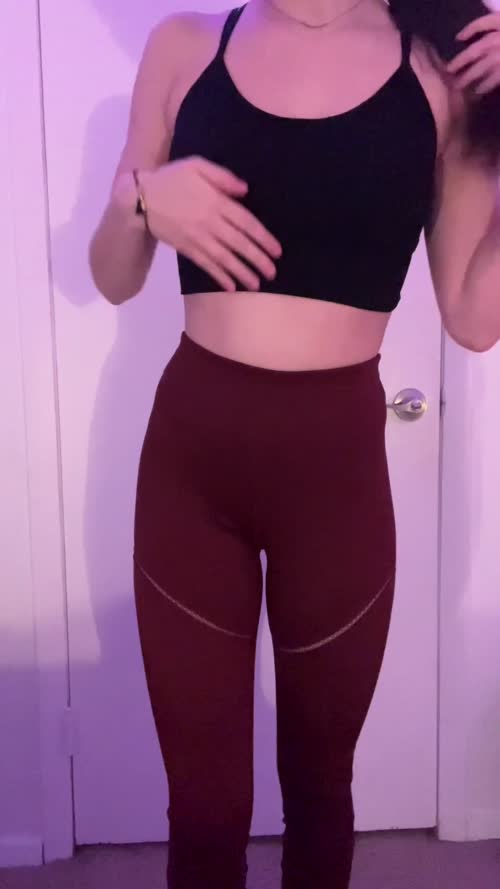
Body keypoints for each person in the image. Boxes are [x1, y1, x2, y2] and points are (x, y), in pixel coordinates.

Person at [89, 1, 500, 886]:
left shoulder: (438, 76)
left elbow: (475, 317)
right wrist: (141, 199)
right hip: (190, 475)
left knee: (319, 791)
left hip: (335, 486)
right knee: (204, 811)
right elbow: (113, 277)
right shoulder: (185, 48)